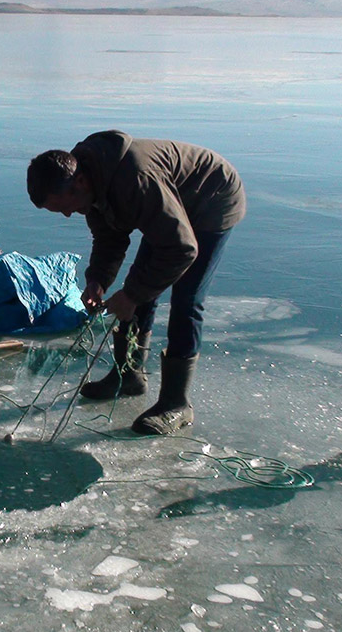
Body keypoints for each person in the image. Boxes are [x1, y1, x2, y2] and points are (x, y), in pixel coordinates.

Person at [27, 130, 245, 435]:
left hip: (212, 197)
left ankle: (177, 403)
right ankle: (128, 376)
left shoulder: (135, 180)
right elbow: (109, 237)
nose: (67, 214)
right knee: (140, 283)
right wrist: (98, 280)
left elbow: (182, 249)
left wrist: (131, 296)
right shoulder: (90, 184)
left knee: (186, 298)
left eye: (64, 205)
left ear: (80, 182)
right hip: (167, 204)